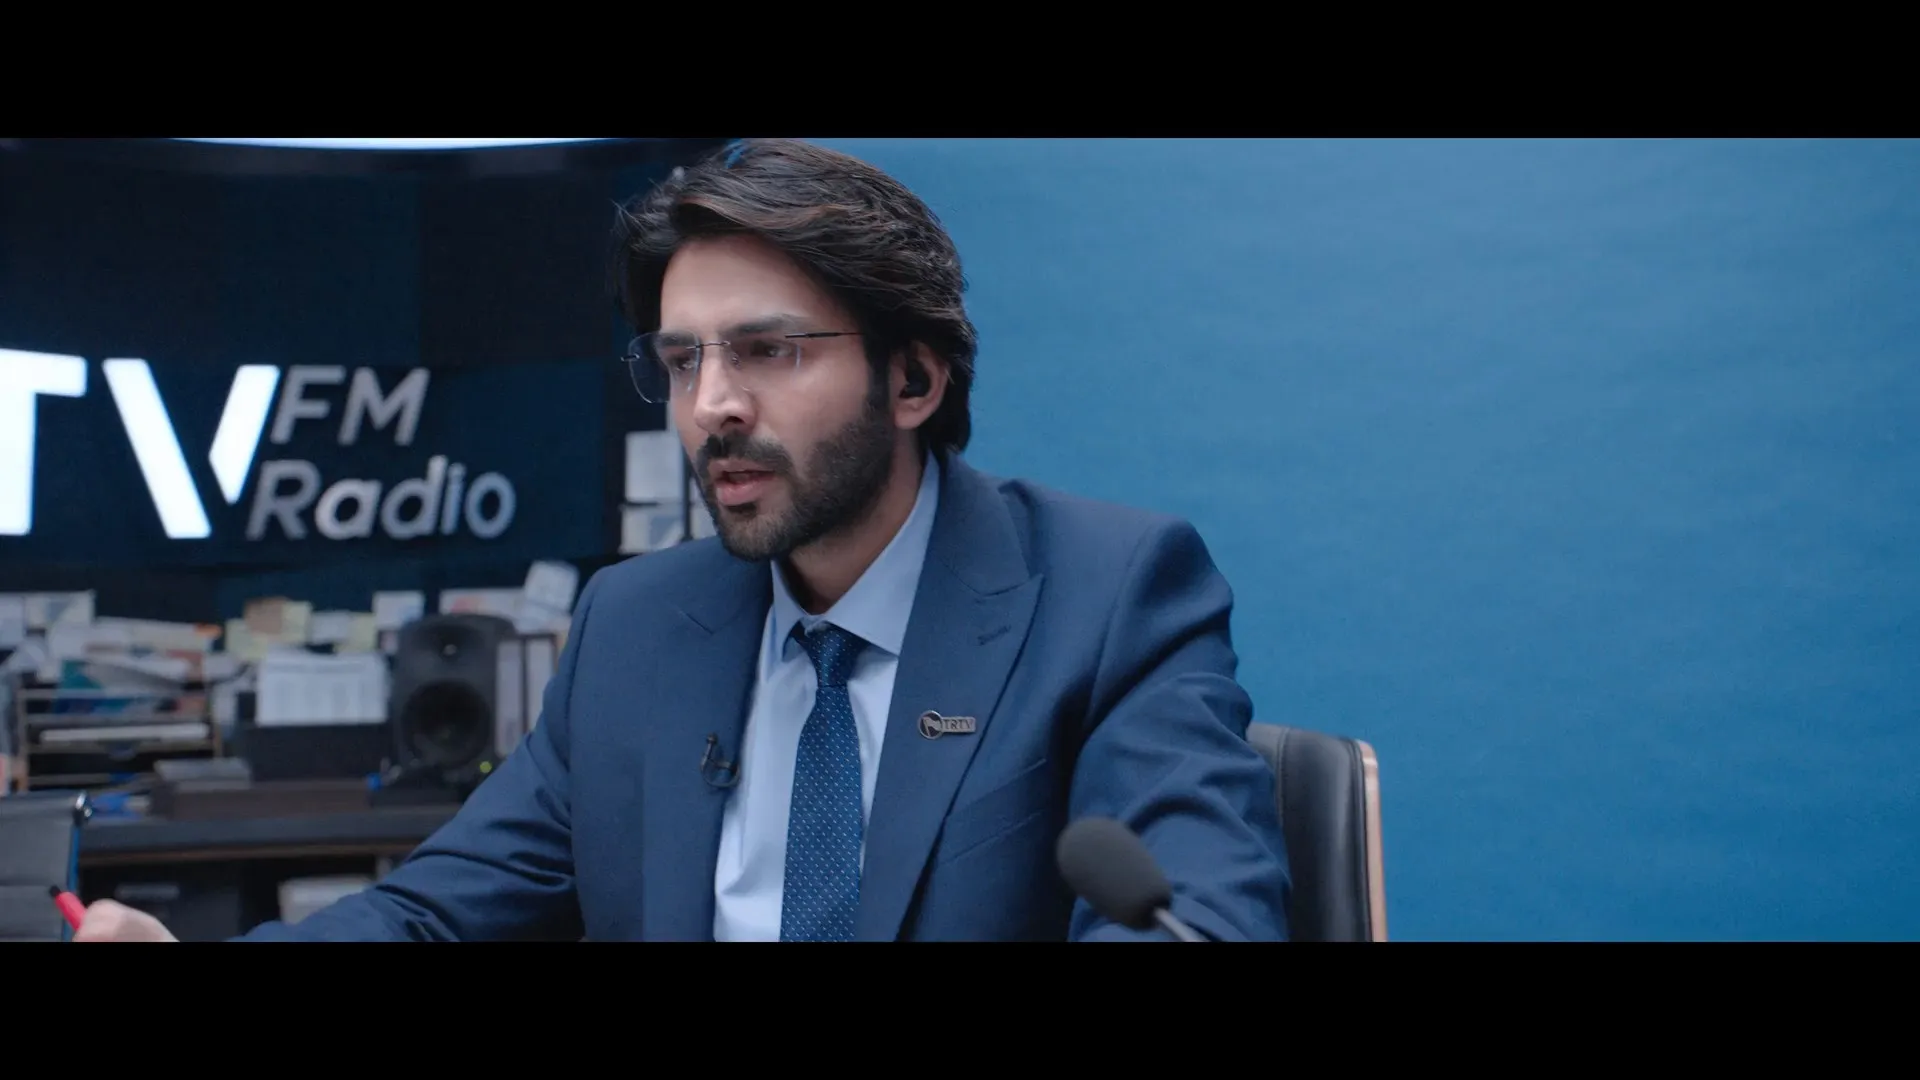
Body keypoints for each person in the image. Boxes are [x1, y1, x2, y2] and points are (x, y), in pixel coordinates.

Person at [73, 138, 1290, 942]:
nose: (711, 406)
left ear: (914, 379)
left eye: (768, 351)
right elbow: (437, 913)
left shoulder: (1109, 594)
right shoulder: (639, 625)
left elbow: (1198, 917)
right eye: (682, 359)